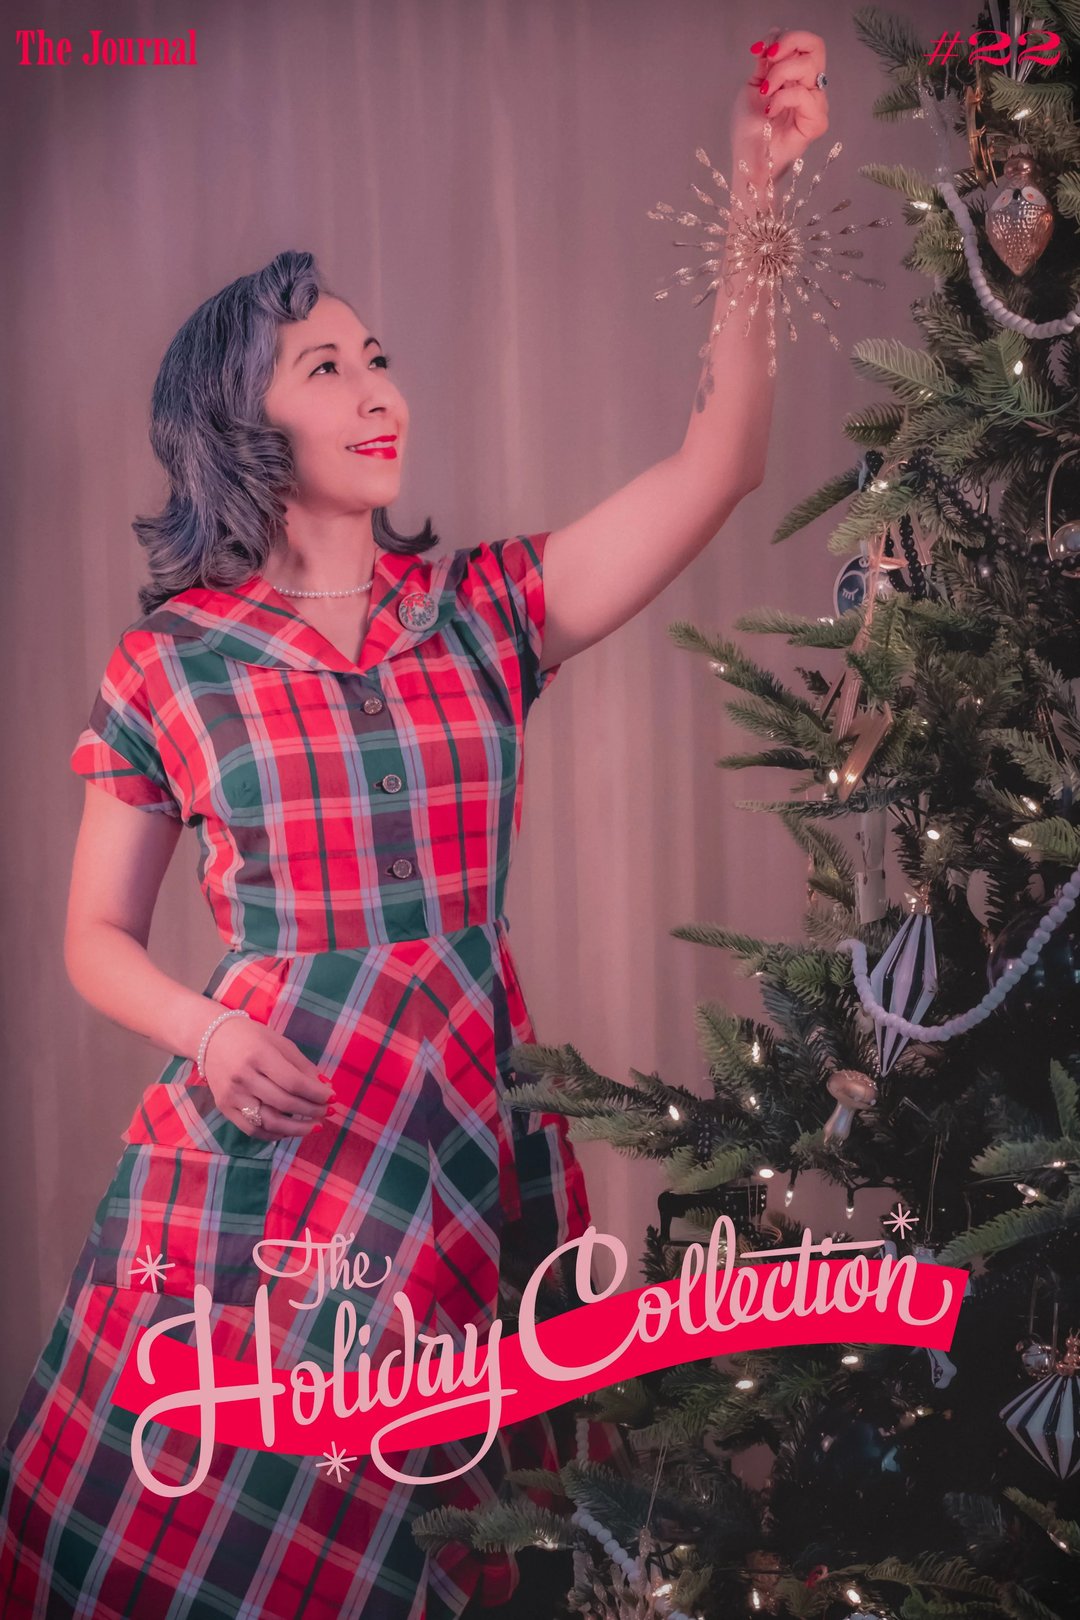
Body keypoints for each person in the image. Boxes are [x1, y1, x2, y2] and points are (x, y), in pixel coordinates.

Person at [0, 31, 828, 1619]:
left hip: (460, 1126)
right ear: (240, 419)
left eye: (378, 356)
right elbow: (92, 939)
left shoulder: (485, 611)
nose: (379, 389)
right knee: (225, 1546)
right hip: (270, 1149)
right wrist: (205, 1030)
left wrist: (756, 198)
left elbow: (721, 462)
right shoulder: (169, 664)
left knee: (446, 1541)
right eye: (327, 366)